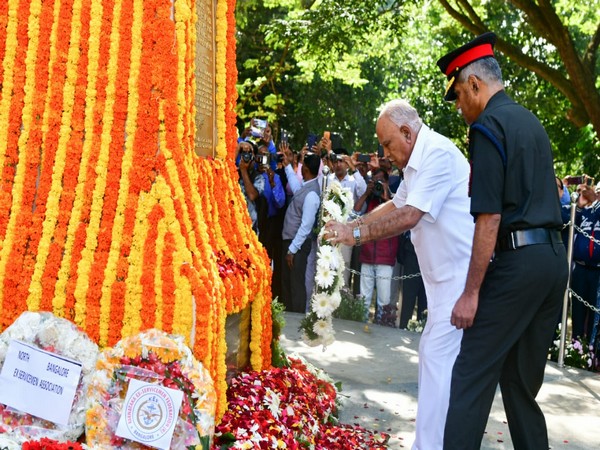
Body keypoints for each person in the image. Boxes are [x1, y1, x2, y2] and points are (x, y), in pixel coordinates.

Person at [436, 32, 568, 449]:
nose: (459, 107)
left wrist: (471, 294)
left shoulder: (489, 126)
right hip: (551, 263)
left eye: (458, 95)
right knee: (518, 383)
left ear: (474, 83)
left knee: (471, 374)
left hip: (518, 265)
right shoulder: (530, 121)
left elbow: (489, 217)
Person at [325, 99, 474, 449]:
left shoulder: (436, 153)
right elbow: (395, 204)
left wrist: (355, 235)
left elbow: (409, 216)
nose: (385, 153)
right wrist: (354, 223)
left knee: (436, 359)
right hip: (442, 281)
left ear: (407, 133)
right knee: (436, 361)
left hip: (458, 279)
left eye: (388, 144)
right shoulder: (416, 160)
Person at [353, 168, 398, 324]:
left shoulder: (394, 201)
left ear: (386, 182)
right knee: (364, 300)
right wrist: (366, 193)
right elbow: (355, 212)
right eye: (375, 181)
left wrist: (386, 197)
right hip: (367, 256)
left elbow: (397, 217)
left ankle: (382, 329)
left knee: (383, 301)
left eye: (381, 181)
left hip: (385, 258)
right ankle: (361, 328)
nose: (378, 185)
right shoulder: (369, 200)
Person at [280, 147, 321, 314]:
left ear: (305, 169)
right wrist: (288, 165)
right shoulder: (307, 186)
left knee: (296, 285)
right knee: (289, 283)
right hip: (291, 243)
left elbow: (306, 227)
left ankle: (296, 318)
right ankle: (289, 316)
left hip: (296, 245)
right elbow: (296, 187)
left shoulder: (312, 194)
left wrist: (292, 249)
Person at [235, 140, 265, 232]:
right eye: (244, 153)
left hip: (249, 228)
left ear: (254, 158)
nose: (246, 156)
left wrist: (243, 170)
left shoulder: (259, 177)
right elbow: (222, 168)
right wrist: (239, 147)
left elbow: (252, 195)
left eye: (249, 154)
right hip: (233, 223)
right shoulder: (233, 171)